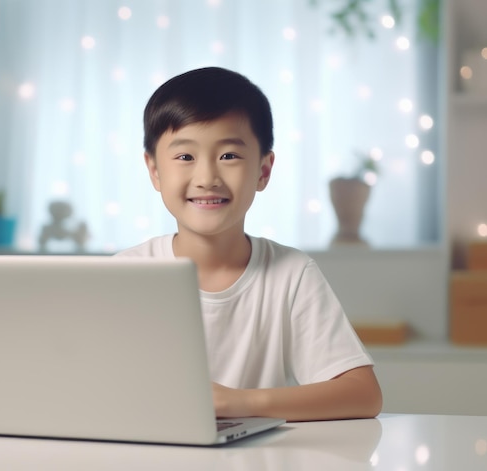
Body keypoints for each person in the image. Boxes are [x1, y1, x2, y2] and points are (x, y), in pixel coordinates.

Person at [116, 66, 382, 422]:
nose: (207, 178)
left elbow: (363, 395)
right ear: (154, 171)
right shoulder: (121, 275)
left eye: (229, 155)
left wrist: (238, 404)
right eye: (185, 157)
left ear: (263, 170)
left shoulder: (291, 274)